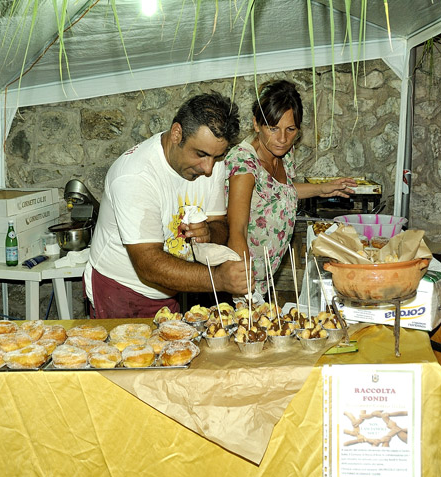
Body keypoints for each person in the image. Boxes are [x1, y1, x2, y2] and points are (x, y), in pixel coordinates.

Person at [84, 92, 249, 319]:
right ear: (176, 133)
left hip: (171, 289)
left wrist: (209, 233)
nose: (208, 168)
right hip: (122, 291)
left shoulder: (213, 160)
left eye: (216, 157)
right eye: (200, 154)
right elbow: (148, 263)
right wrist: (218, 279)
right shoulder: (135, 176)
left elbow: (218, 223)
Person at [225, 80, 355, 298]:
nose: (283, 139)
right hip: (243, 282)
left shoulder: (283, 152)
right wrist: (244, 291)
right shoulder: (243, 164)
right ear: (256, 124)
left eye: (291, 129)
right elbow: (237, 230)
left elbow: (279, 191)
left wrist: (322, 189)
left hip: (266, 277)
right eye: (273, 128)